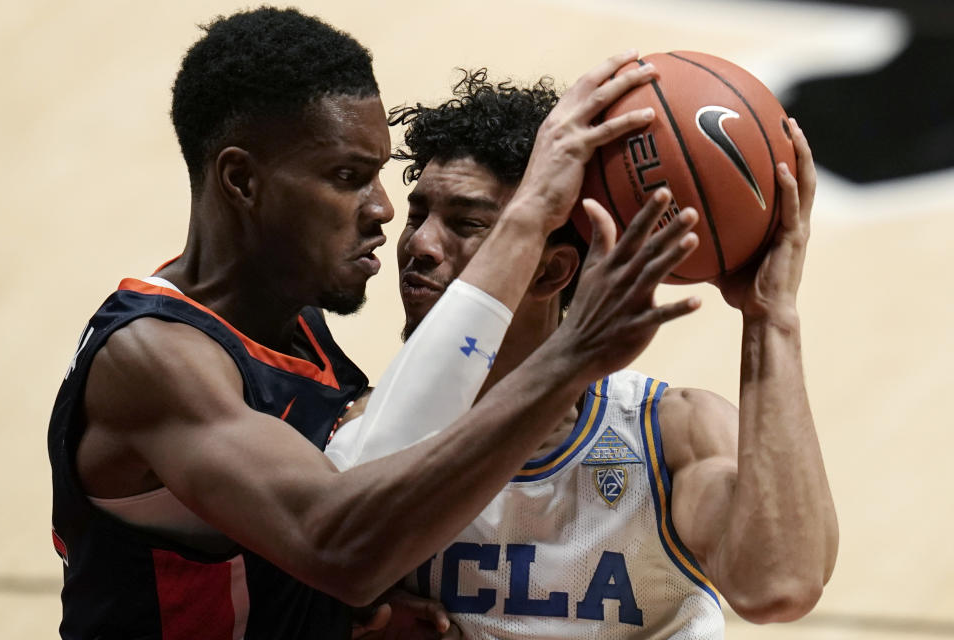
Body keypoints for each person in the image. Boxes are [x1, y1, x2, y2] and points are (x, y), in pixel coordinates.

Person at [46, 8, 701, 639]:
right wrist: (563, 337)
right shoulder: (153, 358)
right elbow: (338, 550)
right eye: (346, 177)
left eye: (378, 174)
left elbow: (339, 521)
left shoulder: (293, 325)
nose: (384, 210)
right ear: (243, 181)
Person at [327, 70, 837, 638]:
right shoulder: (366, 434)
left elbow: (779, 585)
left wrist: (772, 319)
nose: (419, 245)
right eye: (419, 215)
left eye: (468, 225)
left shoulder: (669, 436)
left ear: (552, 270)